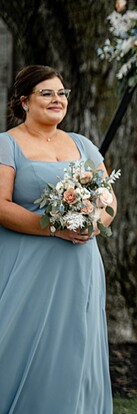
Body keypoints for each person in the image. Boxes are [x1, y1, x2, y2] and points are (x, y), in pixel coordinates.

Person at [0, 65, 118, 413]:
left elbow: (109, 200)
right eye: (47, 93)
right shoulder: (7, 144)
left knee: (75, 344)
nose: (57, 99)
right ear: (24, 101)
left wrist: (93, 225)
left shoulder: (82, 144)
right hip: (28, 263)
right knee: (21, 341)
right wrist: (54, 227)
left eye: (62, 93)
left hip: (80, 264)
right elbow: (1, 205)